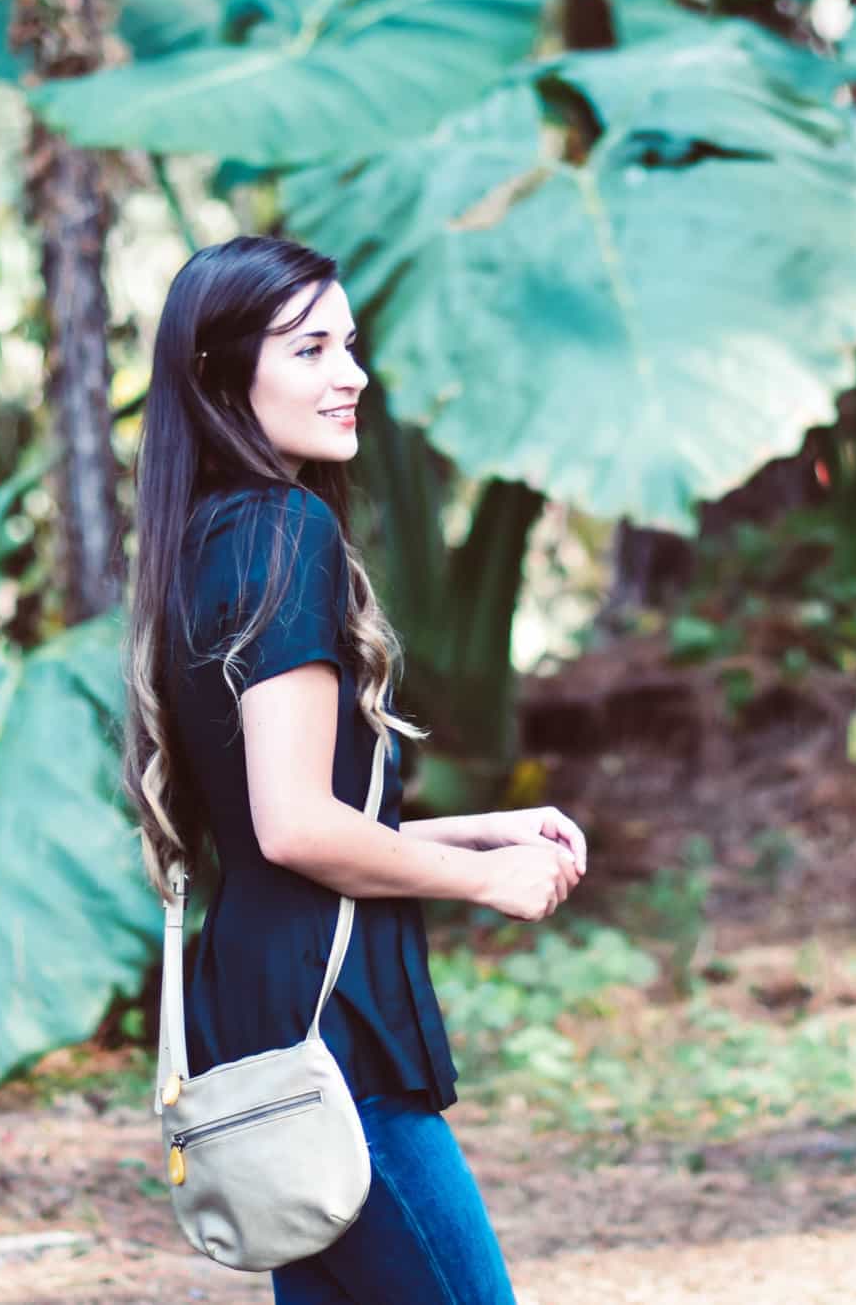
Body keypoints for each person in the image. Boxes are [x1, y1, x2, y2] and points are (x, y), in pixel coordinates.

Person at [120, 233, 588, 1305]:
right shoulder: (287, 531)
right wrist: (485, 880)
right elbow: (293, 827)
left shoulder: (203, 537)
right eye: (312, 347)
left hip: (267, 1007)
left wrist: (481, 831)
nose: (353, 374)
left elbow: (275, 828)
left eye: (352, 343)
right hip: (330, 1029)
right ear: (221, 373)